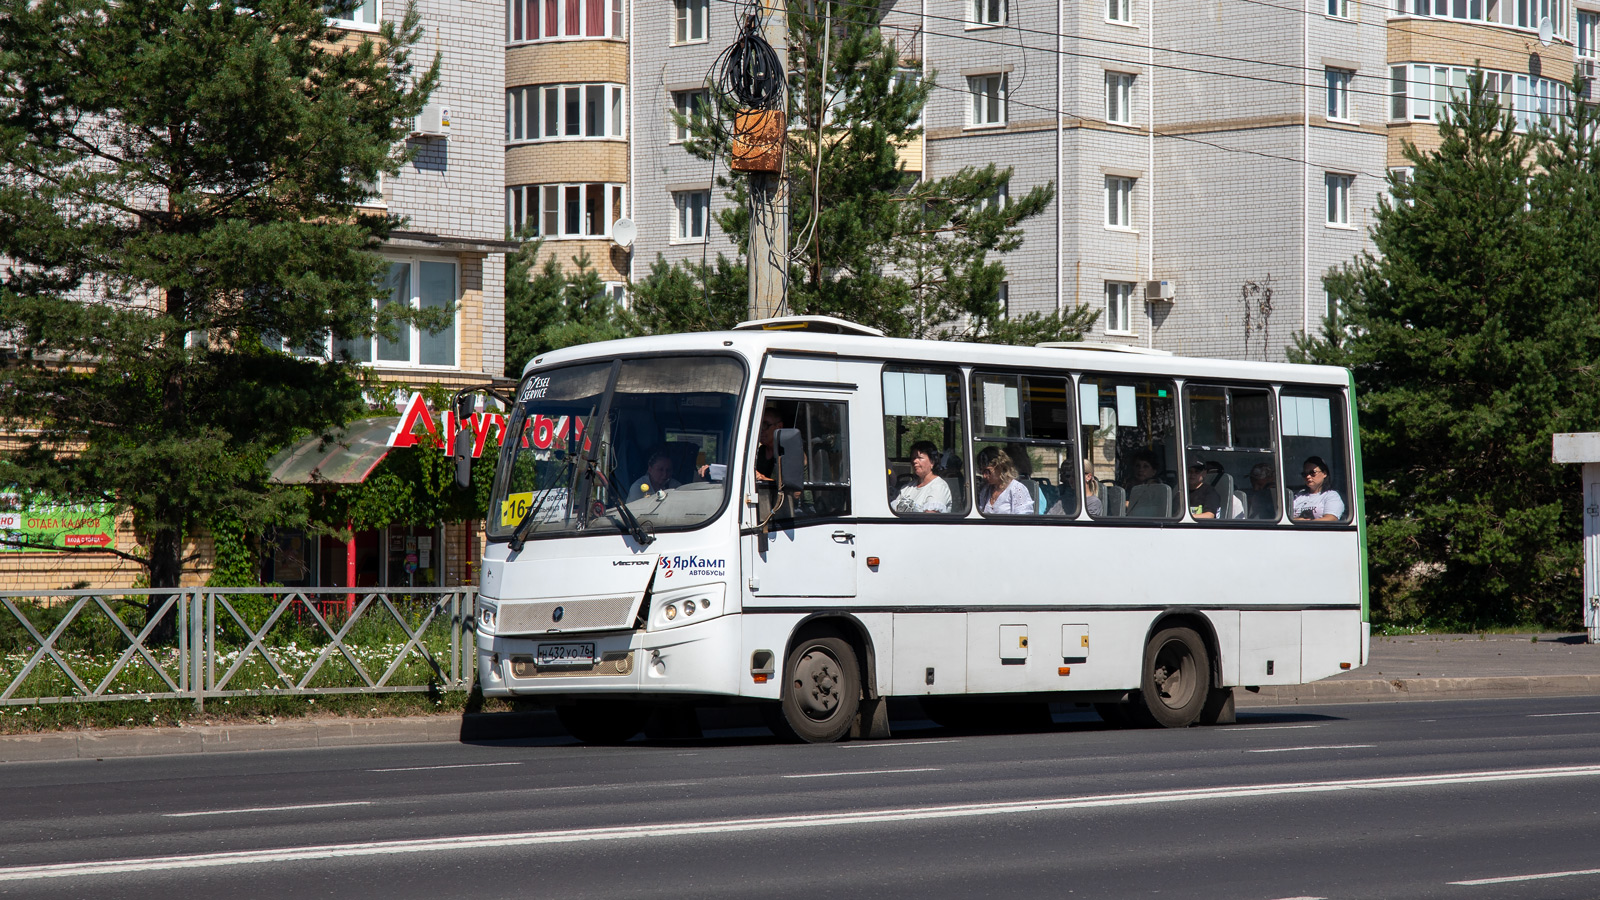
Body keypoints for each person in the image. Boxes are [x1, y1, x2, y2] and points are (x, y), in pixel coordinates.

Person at [892, 440, 953, 514]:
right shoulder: (908, 487)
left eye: (919, 458)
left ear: (932, 462)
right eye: (913, 458)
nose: (915, 461)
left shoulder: (938, 487)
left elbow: (929, 519)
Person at [977, 448, 1033, 515]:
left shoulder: (1016, 489)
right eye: (982, 472)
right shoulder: (986, 490)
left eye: (987, 471)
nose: (984, 476)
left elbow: (1023, 519)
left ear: (1000, 467)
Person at [1292, 455, 1345, 523]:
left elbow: (1331, 518)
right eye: (1305, 474)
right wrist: (1295, 520)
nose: (1308, 476)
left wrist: (1306, 524)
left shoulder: (1331, 495)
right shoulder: (1298, 496)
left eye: (1313, 472)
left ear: (1324, 473)